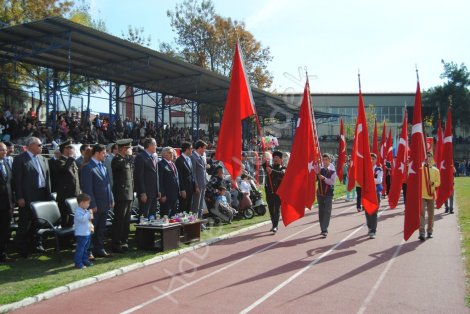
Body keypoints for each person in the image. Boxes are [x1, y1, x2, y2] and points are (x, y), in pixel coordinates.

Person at [13, 136, 52, 257]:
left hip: (41, 195)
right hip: (27, 196)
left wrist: (48, 196)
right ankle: (22, 248)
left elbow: (47, 179)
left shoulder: (43, 159)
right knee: (25, 222)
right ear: (31, 146)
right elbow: (17, 180)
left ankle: (36, 245)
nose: (41, 147)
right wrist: (19, 197)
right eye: (39, 145)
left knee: (38, 222)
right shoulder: (20, 159)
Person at [80, 144, 114, 258]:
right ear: (97, 153)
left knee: (101, 229)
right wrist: (92, 204)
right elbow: (87, 189)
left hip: (104, 203)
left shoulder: (103, 167)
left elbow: (108, 185)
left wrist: (111, 199)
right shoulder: (87, 167)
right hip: (94, 205)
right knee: (91, 229)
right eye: (104, 153)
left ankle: (99, 249)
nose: (106, 155)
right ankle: (88, 251)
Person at [111, 139, 134, 253]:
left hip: (128, 194)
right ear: (124, 148)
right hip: (121, 194)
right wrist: (129, 157)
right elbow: (119, 167)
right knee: (119, 220)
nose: (130, 150)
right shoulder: (117, 160)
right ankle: (116, 243)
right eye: (128, 148)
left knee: (126, 220)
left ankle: (124, 241)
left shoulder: (125, 160)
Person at [55, 140, 81, 228]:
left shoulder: (71, 161)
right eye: (70, 148)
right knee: (65, 222)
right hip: (65, 197)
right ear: (65, 149)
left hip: (74, 195)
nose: (72, 149)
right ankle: (64, 241)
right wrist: (70, 157)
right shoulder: (59, 161)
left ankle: (70, 239)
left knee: (72, 220)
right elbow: (64, 170)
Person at [134, 138, 160, 219]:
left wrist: (158, 190)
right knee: (144, 215)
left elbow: (156, 175)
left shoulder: (155, 157)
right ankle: (142, 232)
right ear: (149, 146)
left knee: (152, 215)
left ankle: (150, 232)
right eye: (155, 144)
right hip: (146, 193)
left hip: (154, 192)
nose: (156, 146)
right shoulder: (140, 157)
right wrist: (142, 192)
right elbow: (139, 176)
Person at [419, 152, 441, 241]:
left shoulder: (436, 170)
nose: (428, 158)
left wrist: (432, 183)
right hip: (422, 195)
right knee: (422, 214)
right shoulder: (420, 169)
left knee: (431, 215)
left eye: (430, 156)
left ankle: (430, 231)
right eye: (426, 156)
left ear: (432, 158)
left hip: (431, 195)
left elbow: (438, 182)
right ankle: (422, 233)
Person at [314, 154, 336, 237]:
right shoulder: (320, 170)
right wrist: (316, 174)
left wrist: (324, 178)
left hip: (328, 193)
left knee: (327, 211)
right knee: (321, 211)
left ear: (329, 161)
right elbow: (315, 179)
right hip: (320, 192)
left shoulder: (332, 171)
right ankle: (322, 227)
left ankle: (324, 229)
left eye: (326, 159)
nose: (325, 161)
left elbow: (332, 182)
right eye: (323, 159)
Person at [263, 150, 285, 233]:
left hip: (278, 192)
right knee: (271, 209)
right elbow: (264, 164)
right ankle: (273, 224)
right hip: (269, 191)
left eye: (277, 157)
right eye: (274, 157)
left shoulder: (283, 168)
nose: (275, 159)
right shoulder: (269, 167)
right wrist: (264, 158)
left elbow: (282, 174)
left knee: (277, 209)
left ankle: (275, 226)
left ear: (280, 159)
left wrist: (272, 171)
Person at [0, 142, 14, 262]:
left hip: (7, 203)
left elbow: (10, 183)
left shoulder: (5, 163)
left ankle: (3, 253)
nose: (5, 152)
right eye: (2, 150)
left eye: (5, 150)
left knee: (5, 230)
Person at [158, 147, 181, 217]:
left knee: (173, 215)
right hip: (166, 195)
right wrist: (162, 195)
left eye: (172, 153)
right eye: (169, 153)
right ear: (164, 154)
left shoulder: (173, 164)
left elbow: (176, 178)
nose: (172, 154)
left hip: (174, 194)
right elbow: (160, 181)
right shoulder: (160, 164)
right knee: (165, 215)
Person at [73, 193, 94, 269]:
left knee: (86, 248)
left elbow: (88, 221)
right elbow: (82, 219)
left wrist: (91, 228)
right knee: (80, 249)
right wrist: (88, 214)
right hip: (81, 234)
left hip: (87, 232)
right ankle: (78, 263)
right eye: (87, 203)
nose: (89, 205)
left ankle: (85, 260)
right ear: (82, 203)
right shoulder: (78, 211)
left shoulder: (85, 210)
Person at [366, 153, 383, 239]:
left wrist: (369, 178)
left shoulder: (378, 169)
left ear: (376, 160)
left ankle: (373, 230)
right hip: (367, 193)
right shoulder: (366, 169)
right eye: (370, 158)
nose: (371, 160)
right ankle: (369, 227)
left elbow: (379, 180)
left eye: (373, 158)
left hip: (376, 193)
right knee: (367, 212)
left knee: (374, 212)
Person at [191, 140, 209, 222]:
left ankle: (200, 222)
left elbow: (204, 171)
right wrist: (196, 185)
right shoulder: (193, 157)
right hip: (197, 186)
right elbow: (193, 173)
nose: (205, 150)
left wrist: (205, 184)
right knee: (196, 206)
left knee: (201, 205)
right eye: (204, 148)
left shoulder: (201, 157)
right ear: (200, 148)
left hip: (203, 185)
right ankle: (195, 222)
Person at [175, 142, 195, 213]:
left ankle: (188, 223)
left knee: (188, 208)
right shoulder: (179, 160)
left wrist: (194, 186)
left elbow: (192, 174)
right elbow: (179, 176)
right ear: (187, 149)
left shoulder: (189, 159)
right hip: (184, 189)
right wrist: (182, 189)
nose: (192, 150)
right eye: (191, 149)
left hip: (190, 188)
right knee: (183, 207)